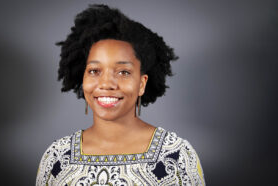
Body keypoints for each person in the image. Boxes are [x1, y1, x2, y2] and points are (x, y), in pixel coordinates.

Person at [36, 4, 205, 186]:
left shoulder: (177, 156)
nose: (106, 84)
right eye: (94, 71)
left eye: (123, 72)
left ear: (142, 83)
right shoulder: (56, 157)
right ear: (82, 77)